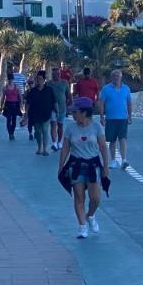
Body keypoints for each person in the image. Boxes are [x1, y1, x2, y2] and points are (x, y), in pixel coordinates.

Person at [58, 97, 109, 239]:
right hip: (76, 165)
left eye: (75, 112)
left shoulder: (97, 127)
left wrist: (106, 165)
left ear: (84, 112)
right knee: (79, 197)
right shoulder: (70, 128)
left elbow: (103, 147)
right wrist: (61, 166)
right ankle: (82, 226)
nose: (73, 115)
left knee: (96, 198)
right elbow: (65, 149)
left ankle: (90, 215)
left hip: (93, 164)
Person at [98, 69, 133, 170]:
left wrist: (130, 116)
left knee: (123, 139)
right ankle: (113, 160)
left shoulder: (126, 88)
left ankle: (124, 160)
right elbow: (102, 103)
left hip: (123, 118)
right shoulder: (106, 89)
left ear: (121, 77)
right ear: (111, 77)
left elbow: (129, 103)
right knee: (112, 141)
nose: (116, 78)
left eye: (118, 76)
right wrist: (102, 116)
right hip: (110, 118)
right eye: (114, 76)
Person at [25, 71, 55, 154]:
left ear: (44, 80)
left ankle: (45, 149)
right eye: (37, 79)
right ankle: (39, 147)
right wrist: (25, 115)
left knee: (45, 130)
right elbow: (28, 103)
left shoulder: (49, 90)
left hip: (46, 114)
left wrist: (57, 111)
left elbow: (54, 101)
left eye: (41, 79)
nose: (39, 81)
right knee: (38, 132)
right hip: (35, 114)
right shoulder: (33, 91)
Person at [48, 67, 69, 150]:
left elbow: (68, 95)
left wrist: (69, 104)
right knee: (53, 124)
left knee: (60, 125)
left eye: (58, 73)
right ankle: (54, 143)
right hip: (52, 108)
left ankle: (59, 142)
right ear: (52, 75)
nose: (56, 75)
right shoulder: (48, 83)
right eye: (54, 74)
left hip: (62, 108)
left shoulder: (64, 83)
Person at [1, 72, 22, 140]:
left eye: (11, 79)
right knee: (8, 120)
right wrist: (1, 106)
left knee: (14, 120)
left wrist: (21, 105)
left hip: (15, 104)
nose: (10, 81)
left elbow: (20, 96)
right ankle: (10, 134)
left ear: (13, 79)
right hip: (8, 104)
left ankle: (12, 133)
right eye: (9, 79)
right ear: (8, 80)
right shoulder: (5, 87)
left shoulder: (17, 87)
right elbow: (3, 97)